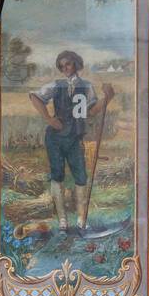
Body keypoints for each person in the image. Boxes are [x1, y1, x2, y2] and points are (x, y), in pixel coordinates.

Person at [29, 50, 114, 234]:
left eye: (68, 64)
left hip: (75, 138)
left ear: (76, 64)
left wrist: (107, 98)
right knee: (57, 175)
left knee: (81, 177)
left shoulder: (86, 86)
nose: (65, 68)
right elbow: (34, 96)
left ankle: (81, 220)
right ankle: (62, 222)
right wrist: (50, 120)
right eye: (61, 65)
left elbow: (91, 111)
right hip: (55, 138)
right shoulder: (56, 85)